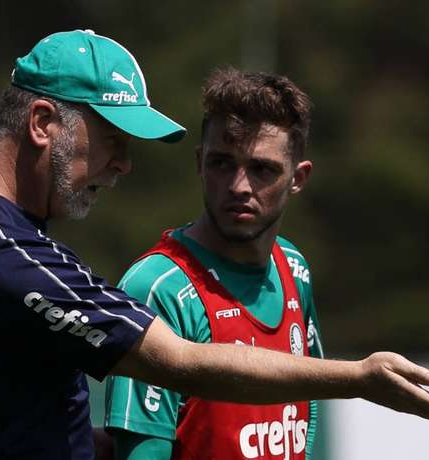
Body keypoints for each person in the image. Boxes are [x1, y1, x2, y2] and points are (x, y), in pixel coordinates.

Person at [0, 29, 429, 460]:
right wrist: (358, 380)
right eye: (113, 139)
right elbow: (182, 364)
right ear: (43, 123)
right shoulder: (6, 256)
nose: (122, 165)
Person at [104, 68, 324, 459]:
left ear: (298, 178)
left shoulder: (294, 268)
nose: (239, 186)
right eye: (222, 163)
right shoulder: (159, 288)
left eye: (262, 169)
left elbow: (308, 405)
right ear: (199, 163)